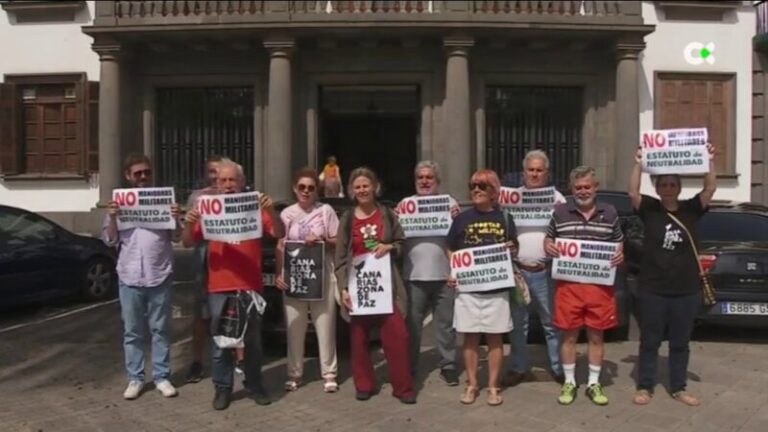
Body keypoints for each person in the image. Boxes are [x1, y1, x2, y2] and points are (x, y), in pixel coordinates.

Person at [181, 160, 285, 410]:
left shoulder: (255, 206)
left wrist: (271, 211)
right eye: (223, 180)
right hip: (219, 286)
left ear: (242, 182)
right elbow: (186, 243)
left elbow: (279, 232)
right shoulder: (206, 209)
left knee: (253, 341)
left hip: (250, 285)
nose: (228, 185)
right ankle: (223, 388)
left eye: (232, 180)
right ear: (216, 183)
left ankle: (255, 384)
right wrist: (188, 222)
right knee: (221, 342)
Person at [628, 143, 716, 407]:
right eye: (663, 184)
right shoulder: (651, 209)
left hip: (686, 289)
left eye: (672, 184)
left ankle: (678, 387)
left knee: (681, 342)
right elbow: (632, 191)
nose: (668, 188)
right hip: (653, 288)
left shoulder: (691, 208)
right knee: (650, 341)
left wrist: (709, 160)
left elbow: (710, 188)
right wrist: (639, 162)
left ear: (678, 187)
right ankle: (645, 386)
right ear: (657, 188)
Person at [103, 153, 183, 400]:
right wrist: (113, 216)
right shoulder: (118, 205)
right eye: (138, 173)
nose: (143, 177)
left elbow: (178, 236)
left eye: (146, 172)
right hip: (129, 276)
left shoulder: (162, 202)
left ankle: (161, 376)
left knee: (160, 329)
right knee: (133, 331)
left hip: (159, 274)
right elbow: (109, 239)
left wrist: (176, 216)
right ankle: (135, 378)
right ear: (128, 176)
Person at [335, 167, 416, 404]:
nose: (362, 190)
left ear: (375, 187)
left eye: (365, 185)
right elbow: (339, 258)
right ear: (352, 190)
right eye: (357, 186)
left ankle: (403, 388)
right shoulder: (347, 219)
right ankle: (364, 384)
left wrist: (389, 247)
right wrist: (343, 288)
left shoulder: (387, 215)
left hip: (386, 287)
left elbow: (402, 243)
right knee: (359, 341)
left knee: (398, 337)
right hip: (358, 288)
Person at [544, 166, 624, 406]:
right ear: (571, 189)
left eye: (587, 186)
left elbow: (619, 243)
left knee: (597, 337)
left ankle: (593, 382)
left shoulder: (609, 212)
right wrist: (548, 245)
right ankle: (569, 382)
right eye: (578, 187)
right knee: (568, 337)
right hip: (569, 287)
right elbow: (549, 238)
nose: (582, 191)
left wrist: (620, 255)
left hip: (599, 288)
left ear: (595, 187)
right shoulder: (559, 212)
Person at [447, 169, 518, 406]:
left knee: (496, 339)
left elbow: (514, 248)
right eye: (473, 186)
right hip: (468, 290)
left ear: (494, 192)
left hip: (496, 290)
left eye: (482, 186)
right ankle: (472, 384)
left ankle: (493, 387)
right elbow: (450, 248)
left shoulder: (505, 218)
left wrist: (511, 249)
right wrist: (453, 271)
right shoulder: (461, 219)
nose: (476, 190)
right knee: (470, 338)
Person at [276, 168, 340, 393]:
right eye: (302, 187)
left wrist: (323, 239)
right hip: (295, 276)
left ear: (317, 191)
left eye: (311, 188)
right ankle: (294, 373)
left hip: (321, 274)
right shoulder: (286, 214)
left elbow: (338, 240)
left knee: (325, 323)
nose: (306, 191)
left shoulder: (326, 211)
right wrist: (279, 273)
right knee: (295, 325)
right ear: (295, 188)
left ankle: (329, 372)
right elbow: (280, 246)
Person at [396, 160, 460, 385]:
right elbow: (395, 239)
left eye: (429, 177)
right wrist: (396, 220)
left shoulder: (449, 203)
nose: (424, 181)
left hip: (444, 275)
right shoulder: (405, 205)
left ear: (437, 182)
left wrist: (457, 218)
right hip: (414, 276)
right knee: (412, 325)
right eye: (420, 178)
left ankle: (449, 364)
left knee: (446, 323)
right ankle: (410, 366)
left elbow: (460, 236)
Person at [506, 150, 565, 386]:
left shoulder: (557, 199)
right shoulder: (512, 198)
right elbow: (502, 228)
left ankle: (558, 367)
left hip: (546, 271)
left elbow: (566, 231)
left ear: (547, 173)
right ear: (523, 173)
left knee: (551, 323)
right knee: (518, 324)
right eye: (531, 169)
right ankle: (519, 367)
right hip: (518, 270)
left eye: (539, 170)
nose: (534, 174)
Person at [185, 154, 225, 384]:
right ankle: (197, 362)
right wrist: (190, 221)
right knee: (201, 314)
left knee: (229, 312)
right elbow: (186, 239)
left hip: (228, 261)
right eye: (211, 172)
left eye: (218, 172)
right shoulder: (196, 198)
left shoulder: (235, 196)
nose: (215, 177)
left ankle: (234, 360)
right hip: (203, 259)